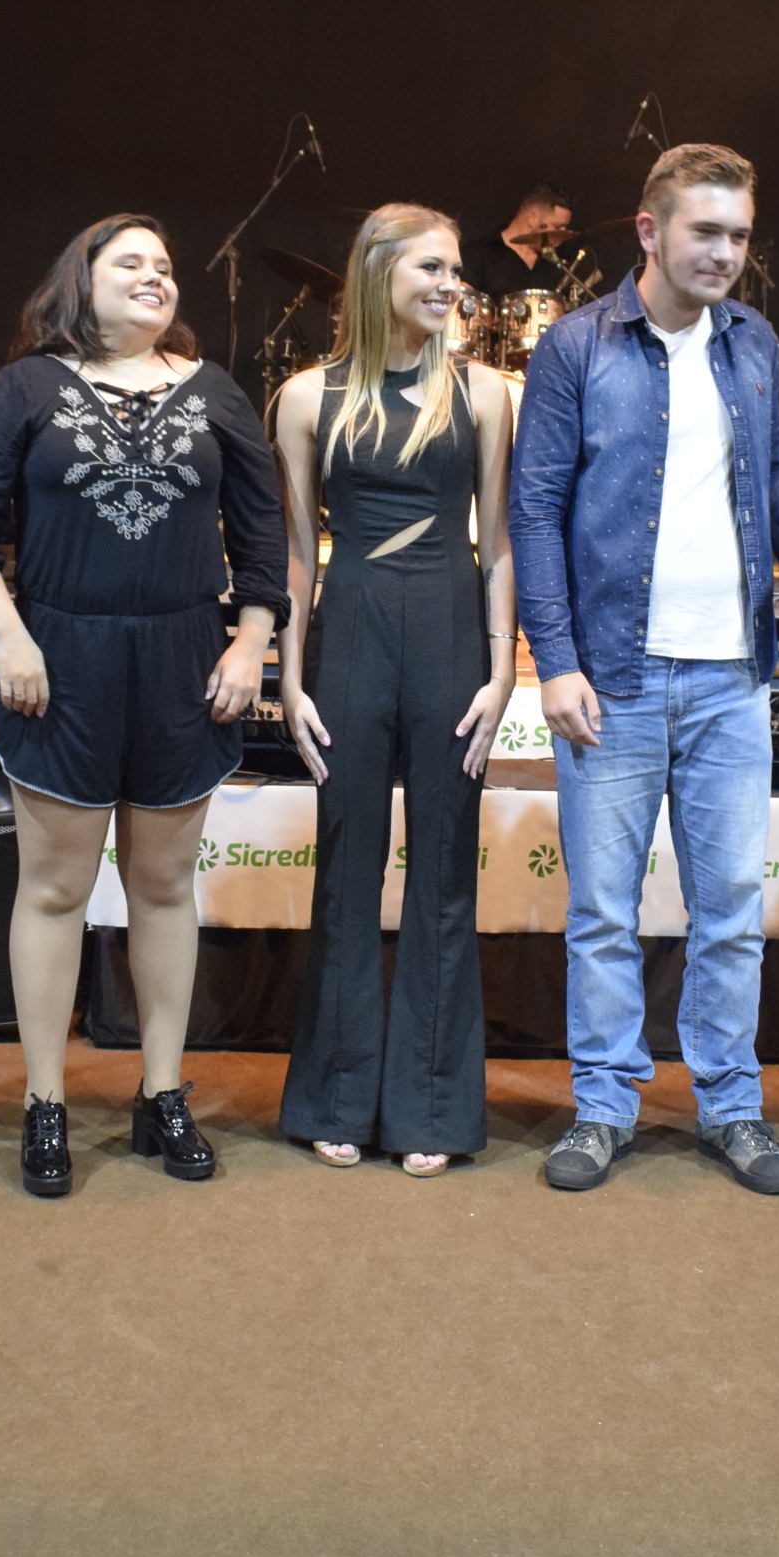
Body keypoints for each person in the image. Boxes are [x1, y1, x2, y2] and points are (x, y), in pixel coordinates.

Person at [0, 216, 288, 1199]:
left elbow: (265, 532)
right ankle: (44, 1100)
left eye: (164, 265)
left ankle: (161, 1092)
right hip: (58, 662)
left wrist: (251, 642)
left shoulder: (216, 393)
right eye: (129, 261)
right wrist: (7, 633)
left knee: (165, 888)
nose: (153, 275)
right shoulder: (28, 387)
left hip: (183, 666)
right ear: (79, 280)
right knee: (53, 889)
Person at [509, 142, 779, 1197]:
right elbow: (534, 510)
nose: (726, 253)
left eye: (739, 235)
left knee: (730, 909)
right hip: (614, 674)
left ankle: (731, 1106)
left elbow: (773, 472)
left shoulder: (753, 339)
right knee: (605, 911)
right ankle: (603, 1106)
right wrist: (555, 661)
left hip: (731, 676)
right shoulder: (575, 345)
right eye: (707, 231)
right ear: (650, 231)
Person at [271, 205, 518, 1176]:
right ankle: (335, 1095)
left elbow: (498, 542)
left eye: (455, 269)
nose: (451, 283)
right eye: (432, 266)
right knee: (347, 866)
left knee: (445, 869)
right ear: (378, 273)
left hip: (452, 629)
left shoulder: (487, 392)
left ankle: (431, 1108)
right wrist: (289, 676)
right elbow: (297, 556)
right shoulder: (305, 397)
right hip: (352, 633)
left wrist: (503, 667)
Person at [462, 184, 580, 301]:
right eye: (557, 227)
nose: (561, 236)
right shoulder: (477, 255)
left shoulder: (556, 267)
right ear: (532, 218)